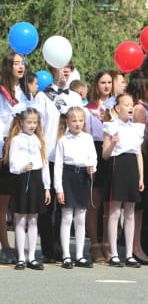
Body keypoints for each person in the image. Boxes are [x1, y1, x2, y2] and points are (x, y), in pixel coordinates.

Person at [34, 64, 82, 264]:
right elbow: (38, 126)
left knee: (68, 206)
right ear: (53, 69)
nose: (65, 71)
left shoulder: (76, 97)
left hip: (70, 158)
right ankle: (48, 248)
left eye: (69, 67)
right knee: (48, 205)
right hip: (50, 156)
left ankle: (65, 250)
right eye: (61, 67)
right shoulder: (42, 96)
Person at [3, 104, 51, 270]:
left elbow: (44, 163)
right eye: (29, 122)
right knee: (21, 218)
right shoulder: (16, 140)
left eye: (35, 122)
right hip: (22, 179)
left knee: (33, 219)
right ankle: (21, 256)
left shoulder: (39, 140)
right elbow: (12, 164)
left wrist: (47, 187)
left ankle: (32, 256)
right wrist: (22, 167)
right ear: (21, 123)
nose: (32, 125)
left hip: (37, 179)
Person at [0, 51, 26, 265]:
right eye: (16, 63)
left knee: (22, 201)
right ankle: (5, 245)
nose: (20, 67)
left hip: (24, 148)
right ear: (8, 66)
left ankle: (22, 246)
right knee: (3, 200)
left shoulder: (26, 92)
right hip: (5, 147)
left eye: (22, 63)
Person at [102, 93, 144, 268]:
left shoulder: (136, 128)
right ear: (117, 108)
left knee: (130, 211)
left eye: (131, 104)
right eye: (126, 104)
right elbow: (105, 154)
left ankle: (129, 253)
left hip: (132, 168)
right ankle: (114, 253)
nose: (129, 107)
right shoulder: (111, 127)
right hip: (118, 166)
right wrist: (113, 142)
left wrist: (141, 177)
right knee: (115, 211)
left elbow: (138, 154)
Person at [54, 106, 97, 269]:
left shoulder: (88, 138)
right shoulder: (63, 140)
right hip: (68, 176)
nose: (78, 124)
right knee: (66, 216)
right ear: (67, 122)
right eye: (74, 120)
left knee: (81, 217)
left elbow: (93, 157)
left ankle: (79, 254)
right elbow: (58, 166)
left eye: (80, 120)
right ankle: (66, 255)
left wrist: (93, 167)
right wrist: (59, 188)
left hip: (83, 176)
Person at [85, 70, 113, 263]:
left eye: (109, 82)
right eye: (102, 82)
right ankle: (94, 244)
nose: (106, 86)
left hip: (111, 151)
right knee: (94, 202)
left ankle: (108, 244)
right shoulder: (88, 109)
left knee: (109, 204)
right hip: (94, 150)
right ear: (96, 85)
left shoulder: (116, 106)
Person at [128, 70, 148, 264]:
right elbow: (141, 140)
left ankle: (137, 245)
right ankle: (134, 246)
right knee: (137, 207)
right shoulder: (139, 109)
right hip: (141, 159)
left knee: (140, 208)